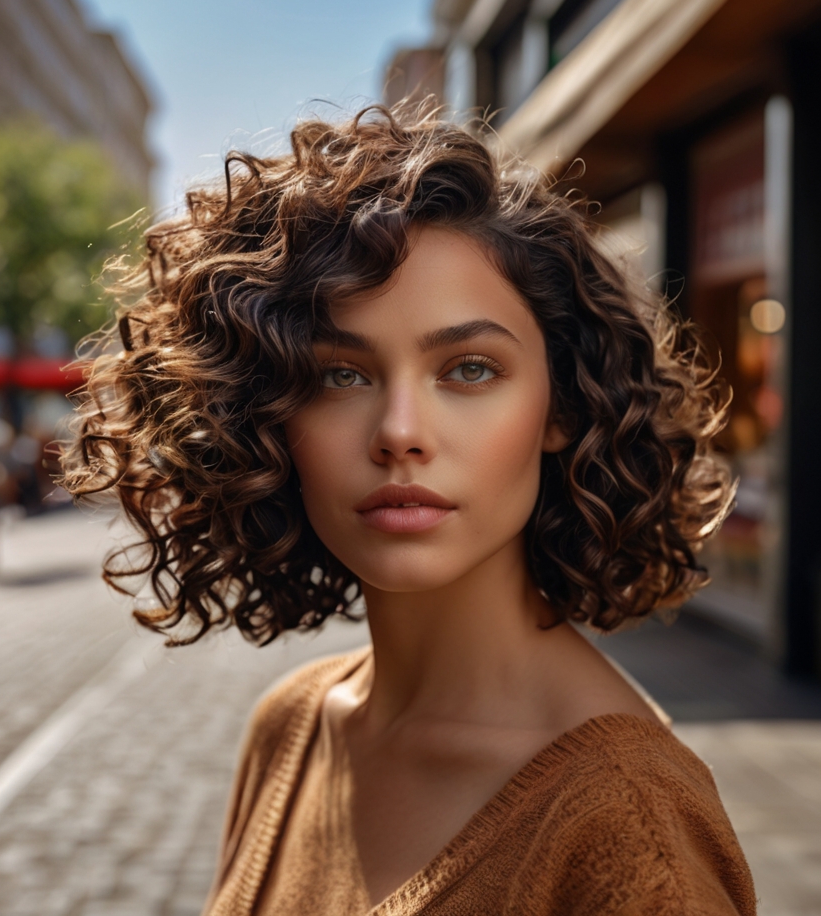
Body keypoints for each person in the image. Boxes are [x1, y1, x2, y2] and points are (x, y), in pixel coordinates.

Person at [60, 107, 756, 915]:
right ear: (266, 418)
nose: (399, 435)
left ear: (560, 406)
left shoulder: (630, 828)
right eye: (341, 376)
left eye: (468, 368)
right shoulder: (292, 724)